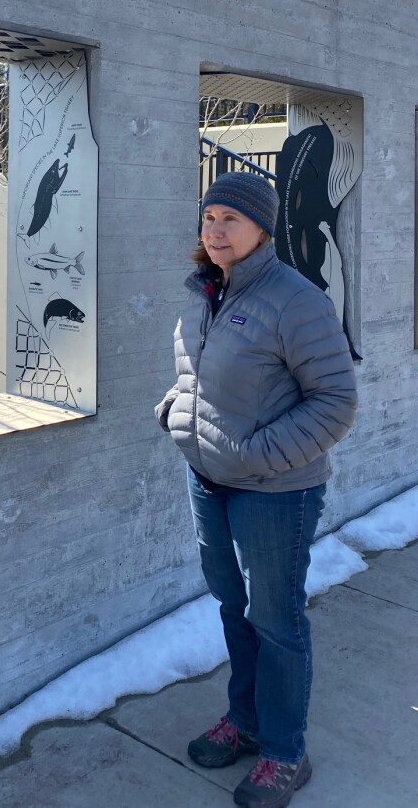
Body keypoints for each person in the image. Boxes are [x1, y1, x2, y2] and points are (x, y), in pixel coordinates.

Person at [155, 171, 357, 808]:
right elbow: (203, 375)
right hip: (208, 479)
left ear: (262, 228)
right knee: (233, 610)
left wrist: (256, 457)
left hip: (276, 492)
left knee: (276, 620)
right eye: (209, 217)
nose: (214, 231)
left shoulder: (296, 300)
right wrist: (175, 409)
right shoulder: (203, 291)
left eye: (230, 220)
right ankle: (243, 722)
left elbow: (335, 402)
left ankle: (284, 752)